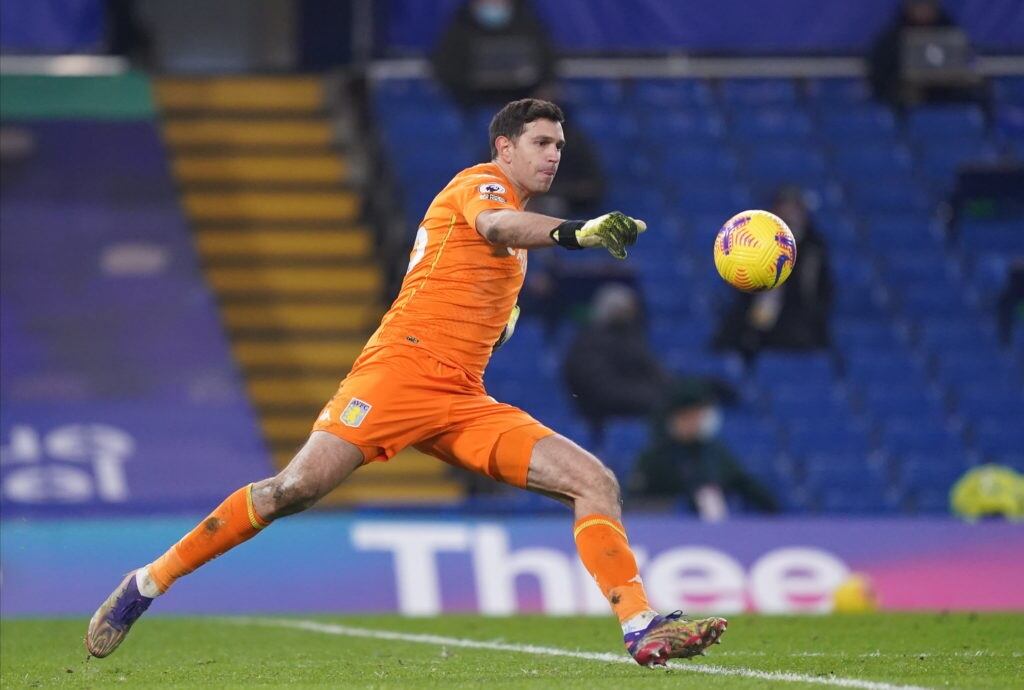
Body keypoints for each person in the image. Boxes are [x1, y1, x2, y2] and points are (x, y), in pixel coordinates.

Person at [84, 99, 727, 666]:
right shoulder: (479, 187)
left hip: (462, 400)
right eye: (540, 142)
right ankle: (147, 582)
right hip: (400, 373)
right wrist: (575, 232)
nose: (553, 154)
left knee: (594, 481)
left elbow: (481, 293)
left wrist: (497, 327)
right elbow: (497, 226)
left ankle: (640, 626)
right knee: (293, 489)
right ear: (504, 148)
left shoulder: (518, 252)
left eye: (559, 144)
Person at [712, 186, 834, 363]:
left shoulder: (813, 249)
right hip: (751, 321)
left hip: (794, 325)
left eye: (795, 208)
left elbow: (818, 293)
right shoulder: (754, 238)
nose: (791, 214)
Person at [630, 380, 777, 520]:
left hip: (714, 531)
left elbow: (745, 484)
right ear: (675, 418)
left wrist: (774, 513)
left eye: (699, 415)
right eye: (690, 416)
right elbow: (634, 501)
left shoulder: (714, 452)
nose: (696, 421)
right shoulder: (654, 458)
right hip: (671, 531)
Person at [563, 284, 669, 444]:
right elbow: (601, 390)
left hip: (641, 409)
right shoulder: (588, 344)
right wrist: (653, 398)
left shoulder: (633, 339)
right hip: (604, 417)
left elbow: (656, 374)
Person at [431, 0, 556, 111]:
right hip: (471, 104)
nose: (493, 3)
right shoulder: (459, 28)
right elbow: (446, 71)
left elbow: (546, 66)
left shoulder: (529, 25)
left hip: (522, 102)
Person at [867, 0, 983, 109]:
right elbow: (879, 74)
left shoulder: (950, 32)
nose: (924, 11)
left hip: (947, 94)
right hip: (905, 101)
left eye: (928, 6)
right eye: (919, 6)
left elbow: (969, 62)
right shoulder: (891, 39)